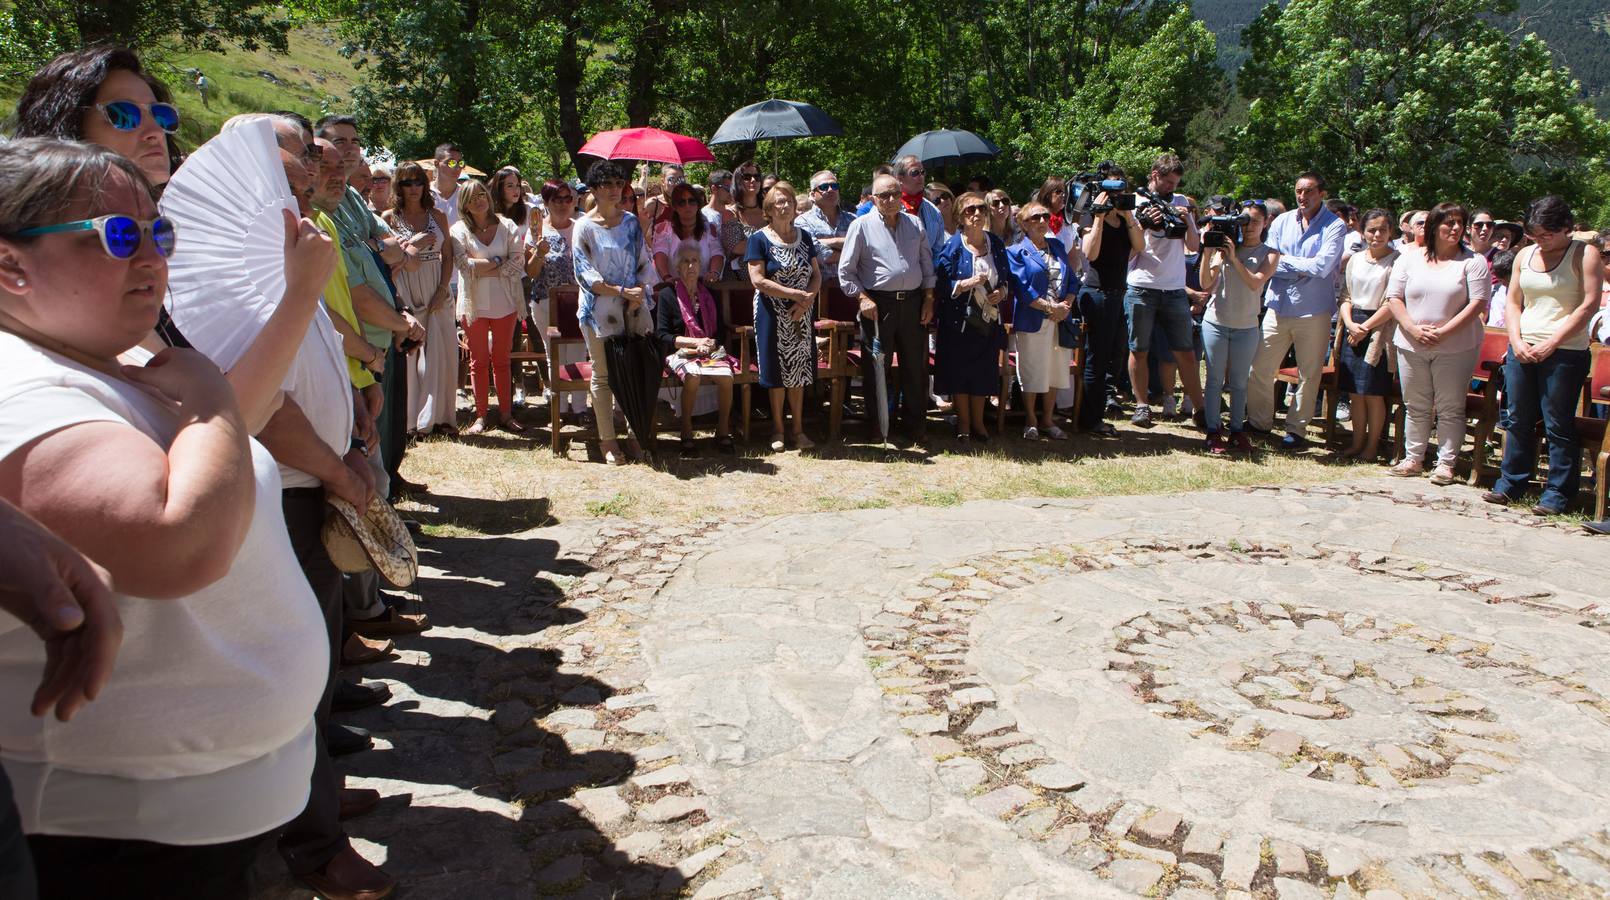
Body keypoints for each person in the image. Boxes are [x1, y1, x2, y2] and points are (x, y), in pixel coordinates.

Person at [0, 137, 332, 899]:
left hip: (184, 821)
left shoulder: (97, 355)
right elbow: (177, 542)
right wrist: (211, 393)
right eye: (119, 236)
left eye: (159, 233)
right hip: (123, 836)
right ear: (11, 266)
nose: (151, 256)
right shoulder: (17, 389)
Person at [1485, 196, 1602, 515]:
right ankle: (1511, 483)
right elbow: (1513, 302)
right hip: (1522, 346)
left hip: (1565, 351)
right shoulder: (1524, 254)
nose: (1540, 241)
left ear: (1566, 228)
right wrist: (1516, 340)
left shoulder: (1584, 254)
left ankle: (1558, 493)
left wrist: (1553, 342)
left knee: (1558, 423)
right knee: (1518, 418)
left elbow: (1589, 304)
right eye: (1535, 234)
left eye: (1546, 235)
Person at [1384, 202, 1492, 485]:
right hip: (1411, 343)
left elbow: (1477, 303)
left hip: (1456, 346)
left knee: (1450, 406)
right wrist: (1412, 329)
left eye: (1460, 223)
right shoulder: (1409, 258)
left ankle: (1446, 463)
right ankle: (1413, 458)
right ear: (1433, 227)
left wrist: (1443, 332)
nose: (1456, 228)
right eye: (1449, 223)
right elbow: (1394, 297)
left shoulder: (1473, 261)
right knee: (1416, 404)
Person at [1244, 171, 1347, 450]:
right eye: (1299, 190)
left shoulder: (1335, 226)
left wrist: (1284, 264)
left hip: (1314, 311)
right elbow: (1270, 260)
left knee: (1309, 373)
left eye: (1309, 191)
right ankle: (1259, 423)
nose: (1303, 196)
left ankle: (1296, 429)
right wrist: (1298, 266)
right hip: (1278, 306)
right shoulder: (1282, 221)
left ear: (1321, 193)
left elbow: (1322, 267)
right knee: (1260, 367)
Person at [840, 173, 936, 443]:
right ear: (873, 199)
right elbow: (846, 272)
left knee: (916, 368)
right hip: (878, 305)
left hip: (915, 303)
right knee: (876, 367)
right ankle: (879, 424)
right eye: (884, 195)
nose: (891, 200)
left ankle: (916, 426)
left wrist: (929, 298)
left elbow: (927, 265)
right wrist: (862, 298)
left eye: (895, 193)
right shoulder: (860, 226)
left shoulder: (915, 224)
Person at [572, 160, 657, 465]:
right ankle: (608, 441)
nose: (613, 190)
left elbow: (644, 263)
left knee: (634, 371)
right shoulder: (582, 226)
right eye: (606, 184)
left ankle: (636, 437)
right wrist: (622, 292)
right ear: (593, 189)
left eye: (618, 183)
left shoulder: (632, 222)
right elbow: (585, 275)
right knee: (604, 375)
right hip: (599, 312)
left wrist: (640, 294)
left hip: (633, 308)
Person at [1124, 153, 1205, 428]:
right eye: (1168, 182)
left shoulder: (1181, 202)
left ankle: (1200, 409)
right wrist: (1144, 223)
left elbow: (1194, 247)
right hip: (1142, 285)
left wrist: (1187, 219)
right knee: (1139, 349)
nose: (1172, 187)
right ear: (1155, 175)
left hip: (1174, 289)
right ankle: (1142, 405)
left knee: (1186, 351)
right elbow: (1128, 250)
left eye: (1176, 183)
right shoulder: (1136, 202)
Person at [1197, 200, 1279, 453]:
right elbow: (1205, 283)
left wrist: (1233, 258)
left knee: (1240, 382)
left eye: (1256, 221)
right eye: (1245, 221)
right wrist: (1209, 252)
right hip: (1216, 322)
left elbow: (1255, 283)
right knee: (1213, 381)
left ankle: (1236, 431)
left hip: (1246, 326)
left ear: (1265, 223)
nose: (1250, 226)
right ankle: (1213, 431)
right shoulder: (1225, 247)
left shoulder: (1270, 253)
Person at [746, 182, 822, 450]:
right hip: (772, 313)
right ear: (768, 208)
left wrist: (806, 300)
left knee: (799, 372)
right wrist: (793, 295)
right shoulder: (759, 239)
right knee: (777, 372)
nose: (786, 205)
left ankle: (799, 431)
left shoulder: (805, 237)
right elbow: (757, 279)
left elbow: (816, 275)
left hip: (801, 313)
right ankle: (778, 430)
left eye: (789, 200)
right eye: (779, 201)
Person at [383, 162, 457, 436]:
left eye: (418, 182)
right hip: (405, 287)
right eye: (407, 182)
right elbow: (385, 259)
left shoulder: (438, 215)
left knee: (442, 353)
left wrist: (441, 290)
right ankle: (409, 421)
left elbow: (447, 255)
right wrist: (414, 244)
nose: (413, 188)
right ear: (398, 186)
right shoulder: (390, 218)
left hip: (436, 284)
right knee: (409, 355)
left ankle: (440, 417)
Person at [934, 192, 1011, 443]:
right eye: (970, 210)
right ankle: (964, 425)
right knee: (959, 374)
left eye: (980, 209)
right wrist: (966, 284)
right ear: (959, 217)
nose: (976, 214)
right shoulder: (952, 247)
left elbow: (1006, 278)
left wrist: (1002, 292)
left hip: (988, 322)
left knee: (982, 373)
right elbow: (942, 285)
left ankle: (979, 424)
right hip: (959, 323)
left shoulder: (995, 244)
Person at [451, 178, 526, 435]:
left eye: (481, 194)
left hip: (506, 303)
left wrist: (484, 267)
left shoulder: (507, 225)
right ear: (465, 205)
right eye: (472, 198)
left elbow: (518, 261)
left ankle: (505, 413)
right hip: (474, 306)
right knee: (478, 362)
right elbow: (464, 267)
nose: (479, 200)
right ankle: (481, 415)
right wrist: (498, 260)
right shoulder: (458, 231)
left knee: (502, 361)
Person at [657, 241, 738, 455]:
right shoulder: (667, 295)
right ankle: (686, 431)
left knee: (726, 376)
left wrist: (710, 343)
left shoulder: (709, 294)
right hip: (680, 352)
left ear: (700, 265)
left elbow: (718, 332)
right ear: (677, 267)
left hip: (708, 352)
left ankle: (722, 431)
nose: (691, 266)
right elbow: (662, 334)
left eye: (694, 261)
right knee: (692, 376)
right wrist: (695, 343)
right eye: (685, 262)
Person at [1008, 201, 1078, 440]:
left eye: (1045, 216)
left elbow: (1072, 282)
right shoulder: (1016, 252)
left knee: (1056, 371)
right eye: (1035, 218)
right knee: (1032, 371)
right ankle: (1031, 419)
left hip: (1060, 319)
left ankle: (1048, 419)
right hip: (1034, 319)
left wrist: (1065, 306)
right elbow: (1022, 289)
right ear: (1023, 223)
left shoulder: (1057, 246)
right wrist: (1050, 308)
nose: (1041, 221)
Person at [1080, 167, 1143, 430]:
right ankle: (1089, 419)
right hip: (1097, 295)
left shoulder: (1125, 220)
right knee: (1096, 357)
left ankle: (1093, 415)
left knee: (1110, 356)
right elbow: (1090, 254)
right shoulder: (1090, 217)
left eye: (1121, 191)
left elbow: (1140, 246)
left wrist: (1127, 214)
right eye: (1111, 192)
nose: (1116, 196)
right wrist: (1098, 216)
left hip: (1118, 295)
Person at [1335, 208, 1400, 461]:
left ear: (1390, 232)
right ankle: (1356, 441)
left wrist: (1366, 328)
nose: (1377, 235)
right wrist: (1351, 323)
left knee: (1373, 393)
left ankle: (1372, 446)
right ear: (1362, 232)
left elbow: (1391, 302)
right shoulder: (1355, 259)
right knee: (1354, 392)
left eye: (1383, 230)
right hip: (1353, 324)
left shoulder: (1397, 260)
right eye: (1372, 230)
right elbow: (1346, 296)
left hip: (1379, 330)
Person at [528, 179, 588, 418]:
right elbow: (530, 272)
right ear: (546, 203)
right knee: (555, 354)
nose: (563, 204)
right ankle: (559, 408)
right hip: (546, 301)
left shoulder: (582, 227)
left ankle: (581, 407)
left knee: (577, 353)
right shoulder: (537, 230)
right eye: (556, 199)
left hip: (578, 301)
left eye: (567, 199)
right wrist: (539, 253)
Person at [492, 165, 537, 404]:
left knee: (536, 330)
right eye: (509, 185)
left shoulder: (529, 211)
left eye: (517, 185)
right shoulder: (490, 214)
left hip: (526, 278)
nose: (515, 190)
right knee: (511, 337)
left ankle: (547, 383)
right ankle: (517, 385)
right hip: (500, 280)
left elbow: (535, 242)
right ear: (499, 188)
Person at [652, 182, 724, 284]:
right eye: (682, 202)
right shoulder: (664, 229)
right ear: (675, 207)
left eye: (691, 201)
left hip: (705, 287)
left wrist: (714, 273)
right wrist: (667, 277)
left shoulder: (709, 228)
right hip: (672, 286)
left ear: (698, 204)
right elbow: (659, 254)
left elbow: (717, 253)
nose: (687, 205)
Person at [795, 170, 856, 288]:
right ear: (812, 194)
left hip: (854, 291)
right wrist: (853, 252)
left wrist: (829, 242)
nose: (830, 190)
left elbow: (865, 250)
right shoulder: (802, 222)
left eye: (834, 186)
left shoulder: (854, 220)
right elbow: (818, 255)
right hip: (818, 293)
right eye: (824, 187)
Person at [891, 155, 947, 263]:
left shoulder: (934, 211)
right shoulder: (889, 208)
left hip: (928, 275)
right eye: (915, 173)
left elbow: (938, 251)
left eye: (922, 172)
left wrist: (931, 276)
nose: (921, 176)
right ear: (899, 178)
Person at [722, 161, 766, 281]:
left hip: (773, 278)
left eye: (757, 177)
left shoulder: (769, 211)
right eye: (747, 177)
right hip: (741, 282)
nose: (753, 180)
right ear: (737, 181)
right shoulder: (730, 214)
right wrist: (771, 243)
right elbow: (736, 247)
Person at [430, 142, 466, 228]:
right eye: (451, 163)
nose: (457, 168)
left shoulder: (466, 194)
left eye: (460, 163)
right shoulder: (423, 193)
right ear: (436, 163)